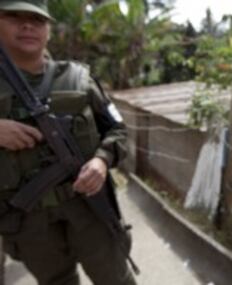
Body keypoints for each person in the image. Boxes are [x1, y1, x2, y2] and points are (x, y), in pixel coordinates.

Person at [0, 1, 137, 284]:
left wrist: (101, 161)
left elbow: (118, 131)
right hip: (27, 219)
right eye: (14, 17)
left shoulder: (79, 78)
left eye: (37, 20)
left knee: (116, 280)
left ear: (48, 30)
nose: (28, 25)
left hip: (88, 206)